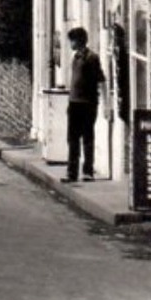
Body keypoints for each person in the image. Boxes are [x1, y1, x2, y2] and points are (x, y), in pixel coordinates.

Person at [63, 27, 104, 183]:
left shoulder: (91, 58)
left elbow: (100, 79)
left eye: (72, 40)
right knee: (72, 139)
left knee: (87, 138)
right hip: (74, 103)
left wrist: (101, 101)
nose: (70, 44)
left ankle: (88, 171)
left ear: (79, 41)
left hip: (87, 103)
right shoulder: (75, 58)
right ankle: (71, 172)